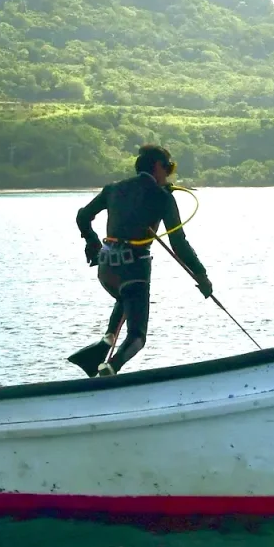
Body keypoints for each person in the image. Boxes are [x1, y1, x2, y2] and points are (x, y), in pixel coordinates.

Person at [74, 144, 212, 376]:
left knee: (126, 298)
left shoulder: (114, 189)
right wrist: (201, 275)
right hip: (134, 269)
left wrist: (92, 242)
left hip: (106, 268)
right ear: (158, 167)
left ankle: (107, 340)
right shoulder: (162, 198)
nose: (168, 174)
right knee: (137, 336)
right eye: (168, 168)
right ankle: (110, 368)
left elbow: (82, 216)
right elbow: (178, 244)